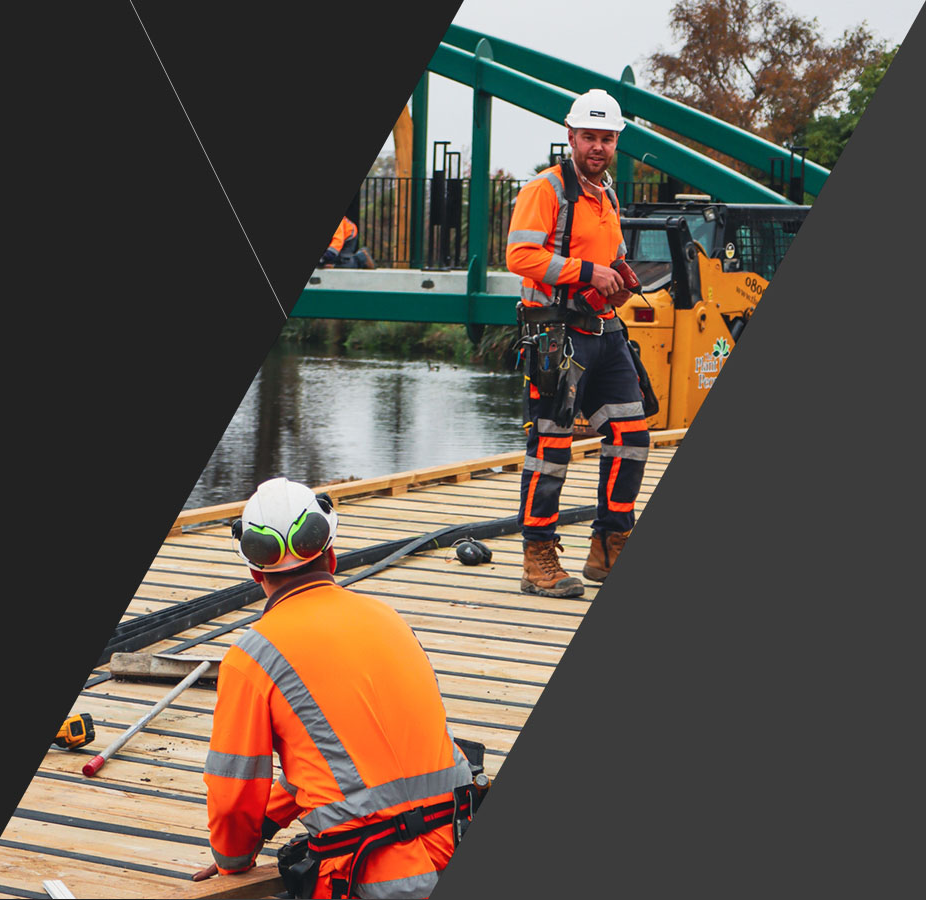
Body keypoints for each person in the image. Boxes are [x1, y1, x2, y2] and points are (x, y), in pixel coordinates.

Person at [194, 477, 473, 899]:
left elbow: (235, 792)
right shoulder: (389, 619)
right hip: (455, 841)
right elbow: (343, 760)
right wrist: (270, 819)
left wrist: (234, 860)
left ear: (255, 572)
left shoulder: (251, 657)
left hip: (368, 878)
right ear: (333, 556)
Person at [505, 89, 649, 598]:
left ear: (615, 143)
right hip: (554, 334)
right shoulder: (546, 189)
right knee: (551, 445)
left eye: (606, 138)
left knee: (631, 435)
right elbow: (519, 255)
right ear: (571, 137)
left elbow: (613, 254)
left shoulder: (606, 193)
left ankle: (610, 543)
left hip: (605, 331)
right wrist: (586, 271)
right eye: (589, 137)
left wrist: (622, 275)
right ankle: (536, 555)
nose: (598, 145)